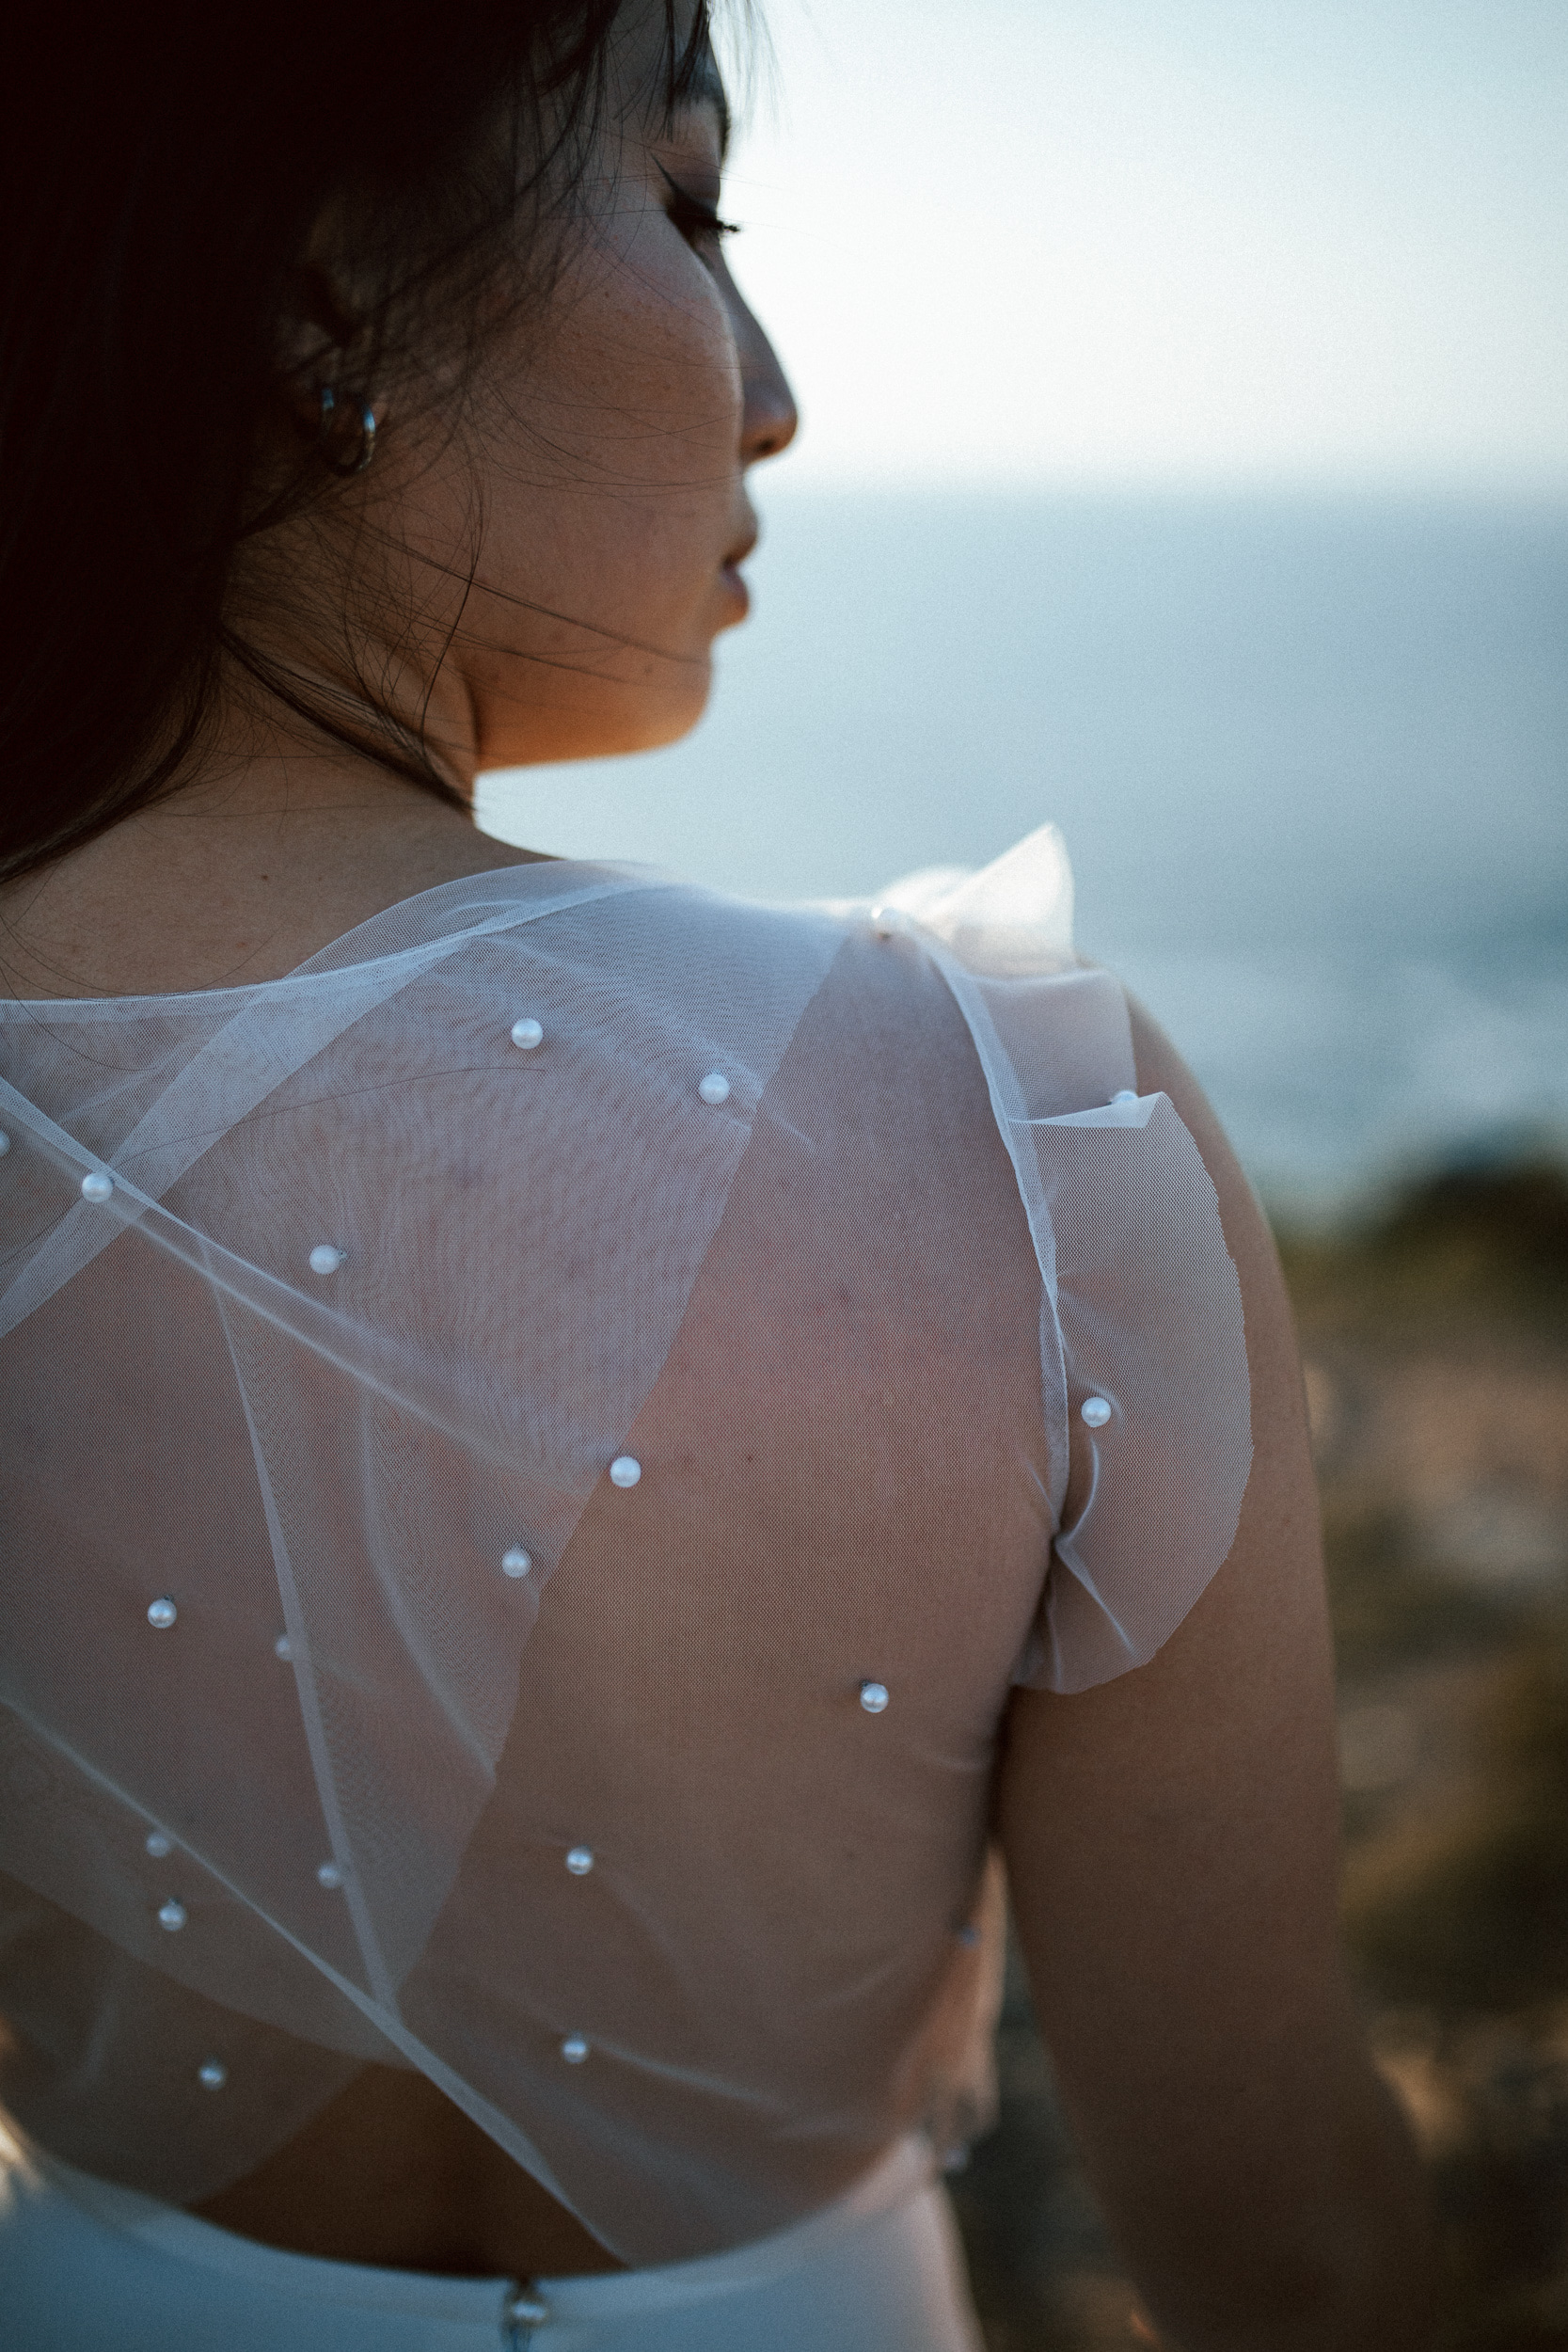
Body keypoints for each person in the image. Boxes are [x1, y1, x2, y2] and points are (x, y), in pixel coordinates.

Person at [0, 3, 1433, 2345]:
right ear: (323, 285)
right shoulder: (1019, 1126)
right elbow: (1286, 2241)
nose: (771, 387)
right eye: (687, 208)